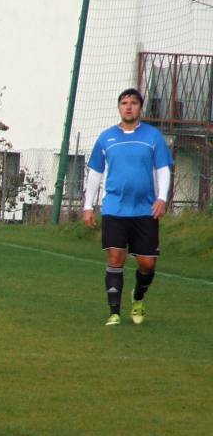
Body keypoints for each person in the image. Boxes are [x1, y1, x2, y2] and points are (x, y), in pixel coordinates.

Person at [83, 88, 173, 326]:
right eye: (124, 103)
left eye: (133, 102)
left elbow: (163, 169)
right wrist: (88, 206)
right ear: (119, 107)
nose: (129, 106)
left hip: (145, 209)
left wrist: (162, 198)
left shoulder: (153, 137)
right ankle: (114, 312)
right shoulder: (106, 138)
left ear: (140, 108)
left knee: (147, 263)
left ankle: (138, 296)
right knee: (115, 258)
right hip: (114, 208)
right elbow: (95, 172)